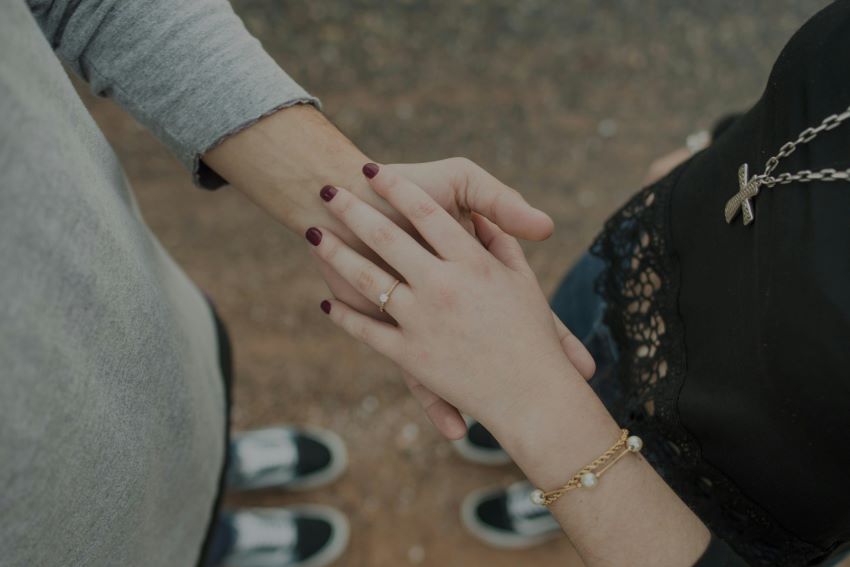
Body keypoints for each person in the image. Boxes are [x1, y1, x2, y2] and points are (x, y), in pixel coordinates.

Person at [0, 0, 560, 565]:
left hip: (134, 331)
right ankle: (208, 546)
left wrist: (347, 201)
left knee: (184, 444)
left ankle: (211, 474)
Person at [310, 2, 850, 566]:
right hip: (647, 262)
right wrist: (718, 142)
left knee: (620, 465)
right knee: (574, 333)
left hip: (735, 469)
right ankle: (517, 434)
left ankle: (556, 484)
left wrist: (534, 406)